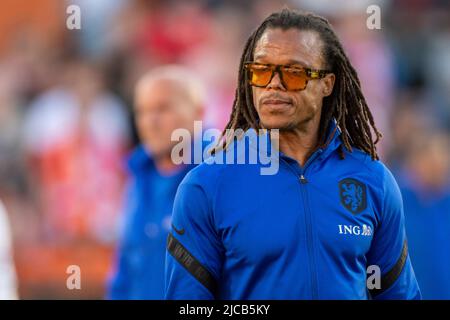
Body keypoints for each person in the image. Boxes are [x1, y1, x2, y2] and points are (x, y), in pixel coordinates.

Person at [165, 9, 421, 299]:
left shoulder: (374, 180)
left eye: (294, 73)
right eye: (261, 71)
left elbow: (399, 295)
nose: (273, 84)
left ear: (328, 83)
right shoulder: (206, 186)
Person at [108, 65, 205, 299]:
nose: (151, 121)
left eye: (163, 108)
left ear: (198, 112)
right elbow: (125, 269)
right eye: (142, 111)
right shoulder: (137, 177)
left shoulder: (218, 177)